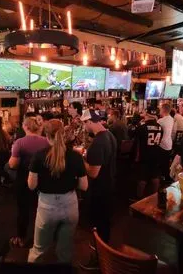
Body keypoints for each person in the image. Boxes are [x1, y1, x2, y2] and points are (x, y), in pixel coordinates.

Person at [27, 120, 88, 263]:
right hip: (70, 204)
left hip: (47, 206)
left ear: (46, 136)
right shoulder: (76, 157)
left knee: (38, 250)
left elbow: (31, 185)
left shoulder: (39, 156)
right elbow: (84, 186)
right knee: (65, 251)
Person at [80, 109, 117, 270]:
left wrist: (81, 158)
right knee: (105, 224)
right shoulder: (110, 136)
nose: (84, 127)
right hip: (109, 185)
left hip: (99, 190)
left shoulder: (97, 143)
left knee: (98, 225)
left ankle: (98, 260)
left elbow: (93, 173)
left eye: (84, 123)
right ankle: (105, 255)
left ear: (89, 122)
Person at [8, 117, 50, 247]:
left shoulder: (19, 143)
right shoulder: (47, 141)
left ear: (25, 127)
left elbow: (13, 165)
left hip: (24, 180)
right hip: (43, 180)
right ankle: (44, 238)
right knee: (43, 209)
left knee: (23, 209)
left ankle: (21, 237)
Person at [134, 107, 163, 199]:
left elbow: (135, 141)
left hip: (144, 155)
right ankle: (154, 196)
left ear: (146, 115)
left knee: (142, 178)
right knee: (155, 176)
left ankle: (139, 198)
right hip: (156, 154)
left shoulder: (142, 128)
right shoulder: (160, 127)